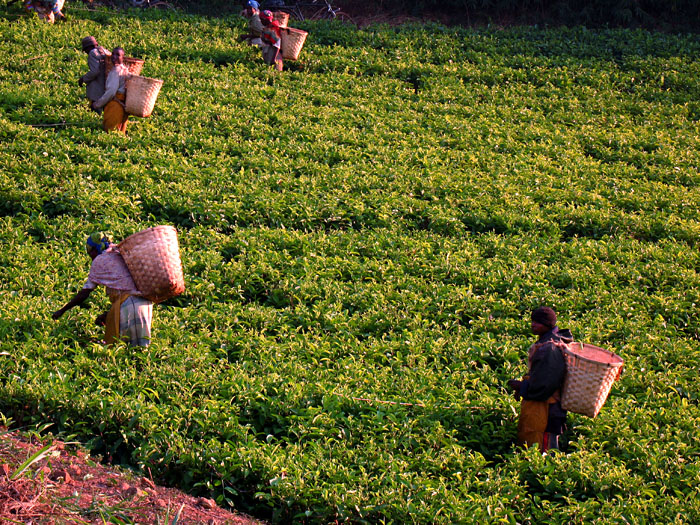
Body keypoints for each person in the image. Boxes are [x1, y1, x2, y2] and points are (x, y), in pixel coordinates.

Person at [52, 233, 153, 347]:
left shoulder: (100, 260)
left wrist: (62, 310)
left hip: (130, 306)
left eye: (90, 253)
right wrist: (107, 315)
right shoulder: (120, 252)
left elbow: (84, 293)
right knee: (141, 346)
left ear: (95, 249)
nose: (91, 257)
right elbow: (125, 287)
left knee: (125, 347)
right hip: (144, 303)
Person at [507, 307, 572, 452]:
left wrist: (522, 387)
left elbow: (544, 385)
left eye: (538, 322)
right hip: (550, 408)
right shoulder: (551, 341)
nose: (533, 325)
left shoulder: (549, 348)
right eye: (533, 321)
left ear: (548, 324)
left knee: (544, 450)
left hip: (547, 409)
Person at [92, 47, 130, 133]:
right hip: (122, 105)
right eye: (113, 54)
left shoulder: (116, 71)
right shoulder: (124, 69)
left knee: (110, 132)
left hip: (115, 105)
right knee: (120, 133)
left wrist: (97, 104)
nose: (114, 57)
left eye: (118, 55)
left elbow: (111, 92)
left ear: (122, 58)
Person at [78, 36, 108, 113]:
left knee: (95, 107)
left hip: (98, 87)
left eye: (85, 50)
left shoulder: (92, 53)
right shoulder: (104, 51)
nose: (85, 52)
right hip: (106, 84)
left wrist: (83, 79)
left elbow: (95, 71)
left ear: (89, 47)